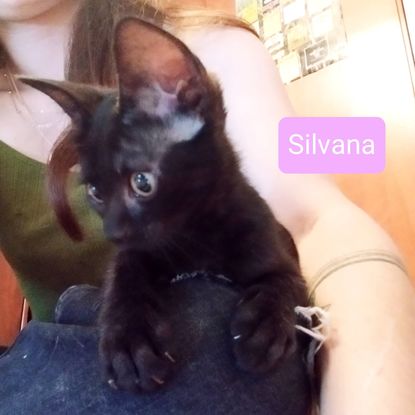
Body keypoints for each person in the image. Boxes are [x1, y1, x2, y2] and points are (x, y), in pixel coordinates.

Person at [0, 0, 414, 414]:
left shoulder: (221, 48)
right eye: (96, 193)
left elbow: (315, 218)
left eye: (141, 183)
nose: (113, 231)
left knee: (215, 326)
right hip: (50, 374)